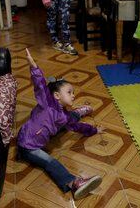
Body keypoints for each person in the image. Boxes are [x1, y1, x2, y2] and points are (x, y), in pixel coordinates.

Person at [17, 48, 104, 200]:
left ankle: (79, 112)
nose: (73, 95)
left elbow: (77, 127)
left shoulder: (62, 114)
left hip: (49, 131)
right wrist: (33, 66)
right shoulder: (46, 102)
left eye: (73, 92)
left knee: (68, 119)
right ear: (56, 95)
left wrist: (93, 130)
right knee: (51, 162)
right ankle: (74, 183)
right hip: (28, 145)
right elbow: (40, 84)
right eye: (69, 92)